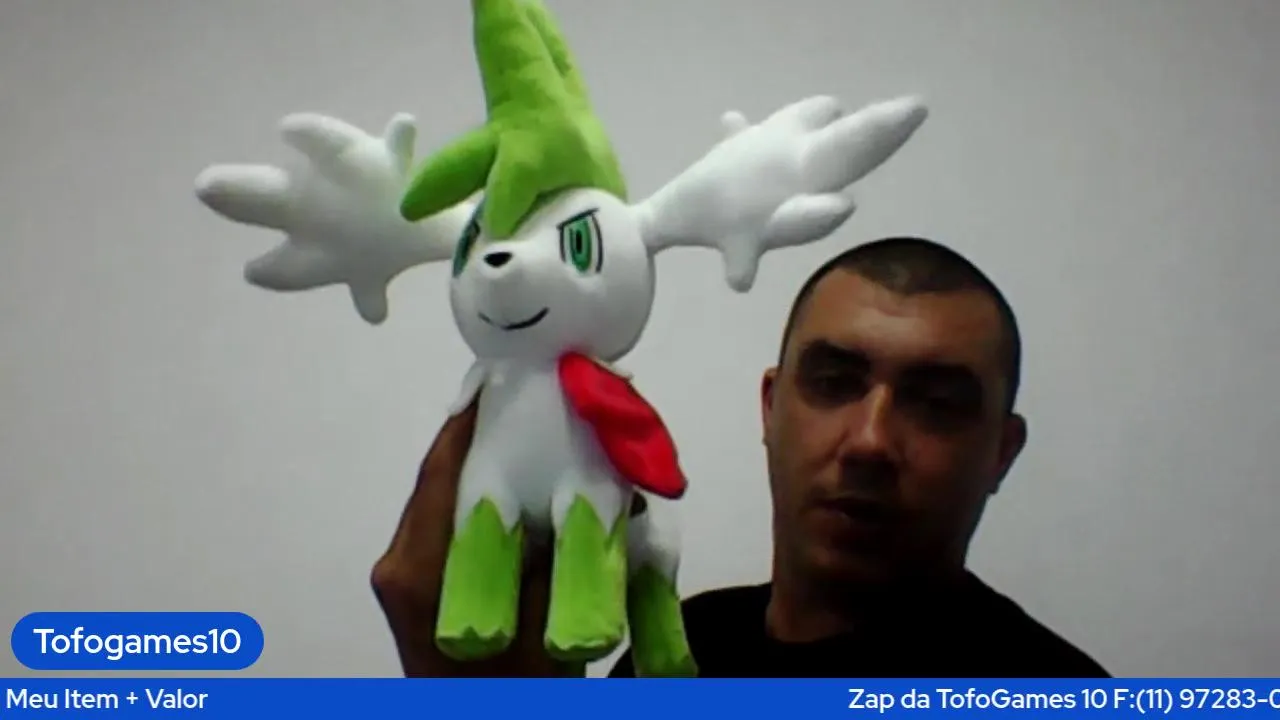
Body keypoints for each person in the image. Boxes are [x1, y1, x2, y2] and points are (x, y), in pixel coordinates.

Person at [371, 236, 1109, 678]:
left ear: (1001, 454)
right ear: (770, 407)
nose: (870, 441)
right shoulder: (684, 653)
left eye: (937, 404)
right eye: (833, 383)